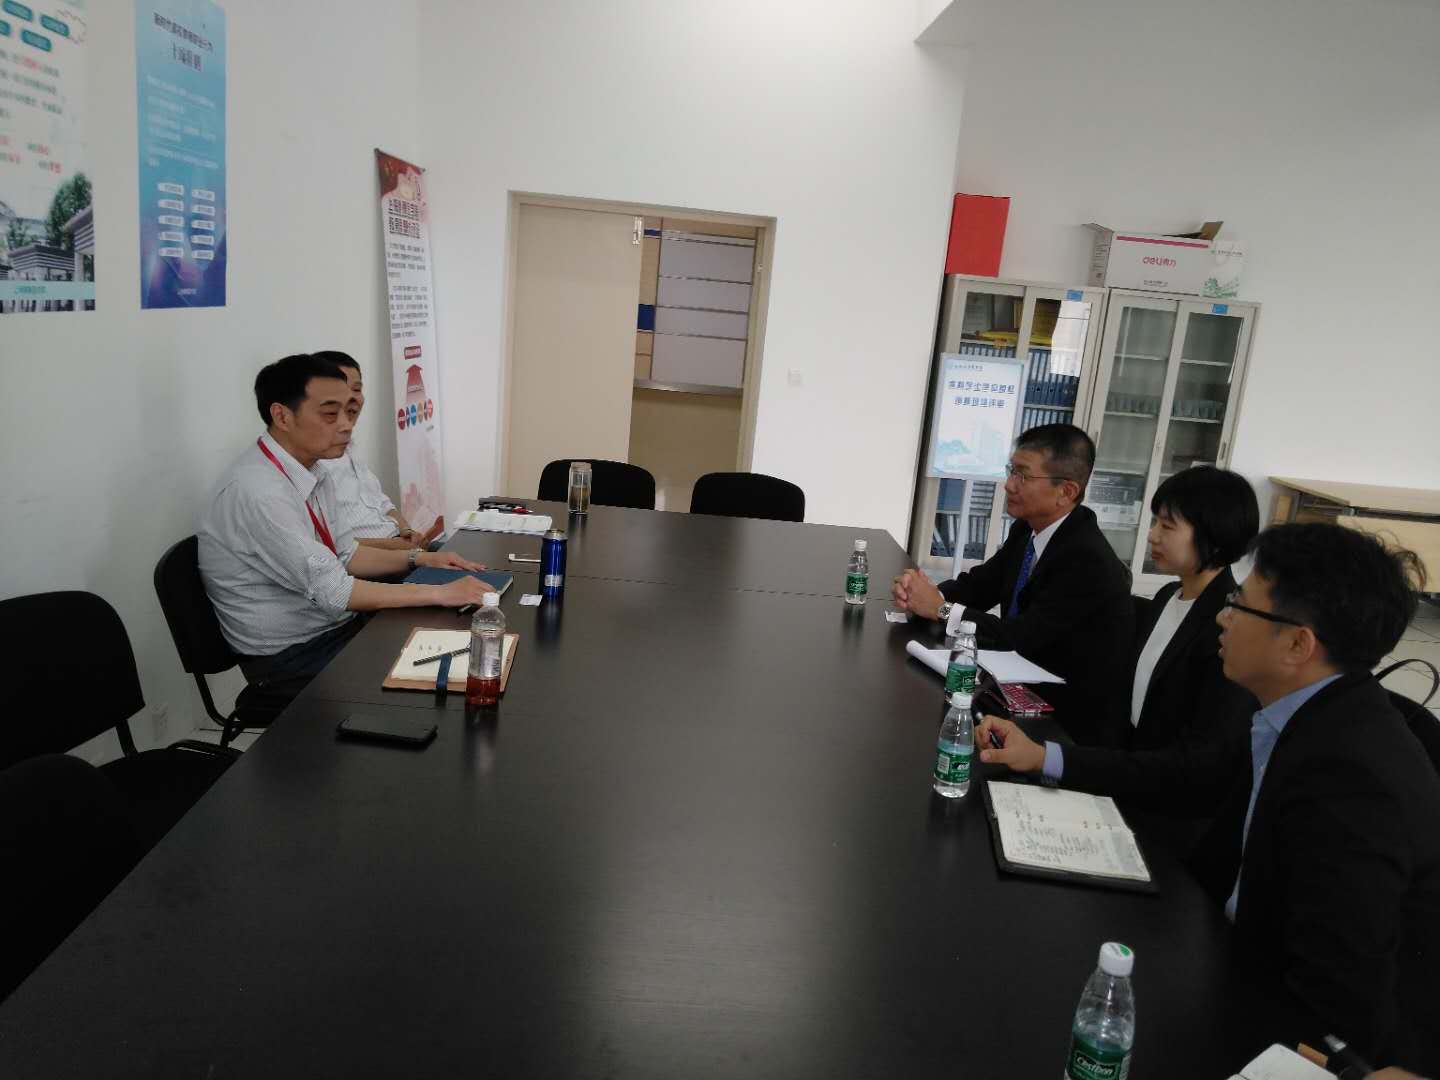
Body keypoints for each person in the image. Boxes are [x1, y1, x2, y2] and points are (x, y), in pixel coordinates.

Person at [1186, 523, 1440, 1071]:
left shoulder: (1353, 779)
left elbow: (1336, 1002)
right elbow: (1195, 780)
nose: (1222, 617)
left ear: (1298, 644)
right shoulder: (1298, 713)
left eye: (1239, 605)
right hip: (1231, 963)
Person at [199, 352, 493, 704]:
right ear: (282, 416)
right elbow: (336, 592)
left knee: (461, 643)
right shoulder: (259, 492)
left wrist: (420, 559)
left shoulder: (313, 470)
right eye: (329, 414)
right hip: (293, 657)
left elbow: (346, 555)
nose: (345, 425)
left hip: (335, 628)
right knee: (445, 678)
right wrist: (440, 592)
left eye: (347, 411)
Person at [976, 467, 1259, 831]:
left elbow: (1196, 765)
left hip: (1167, 815)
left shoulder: (1227, 628)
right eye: (1155, 522)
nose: (1152, 535)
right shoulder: (1166, 598)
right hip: (1123, 782)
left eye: (1167, 526)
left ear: (1213, 536)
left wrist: (1050, 758)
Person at [891, 423, 1133, 737]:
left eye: (1023, 476)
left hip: (1067, 722)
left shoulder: (1087, 559)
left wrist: (940, 609)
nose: (1008, 485)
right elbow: (978, 587)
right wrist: (920, 593)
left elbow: (1020, 637)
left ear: (1066, 491)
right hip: (1016, 693)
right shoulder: (1027, 530)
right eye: (1011, 471)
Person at [314, 350, 429, 553]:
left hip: (399, 546)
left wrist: (406, 530)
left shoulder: (350, 445)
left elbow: (382, 503)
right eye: (340, 392)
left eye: (356, 389)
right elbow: (327, 544)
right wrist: (396, 548)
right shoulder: (312, 462)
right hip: (373, 559)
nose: (351, 398)